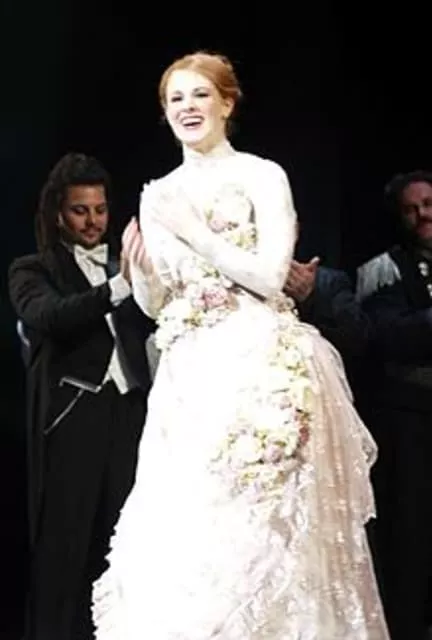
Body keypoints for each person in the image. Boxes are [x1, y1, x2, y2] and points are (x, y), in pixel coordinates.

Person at [92, 52, 389, 639]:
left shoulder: (261, 175)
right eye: (175, 99)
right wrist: (141, 272)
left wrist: (195, 232)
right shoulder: (159, 193)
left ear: (226, 103)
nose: (187, 108)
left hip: (256, 363)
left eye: (200, 95)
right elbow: (158, 304)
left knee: (265, 526)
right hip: (187, 375)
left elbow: (271, 277)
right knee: (191, 527)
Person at [8, 153, 154, 640]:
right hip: (73, 416)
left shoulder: (125, 268)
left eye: (100, 209)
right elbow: (51, 316)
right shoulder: (31, 269)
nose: (93, 221)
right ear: (58, 215)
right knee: (62, 550)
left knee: (125, 545)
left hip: (130, 414)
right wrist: (118, 287)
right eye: (80, 210)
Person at [356, 170, 432, 640]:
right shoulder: (382, 271)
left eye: (428, 204)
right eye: (411, 209)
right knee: (411, 538)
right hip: (412, 422)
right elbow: (386, 337)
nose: (422, 215)